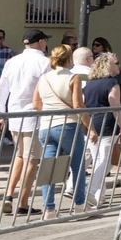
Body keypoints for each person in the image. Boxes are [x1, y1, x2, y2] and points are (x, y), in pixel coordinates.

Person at [0, 29, 51, 214]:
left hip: (15, 115)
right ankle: (23, 202)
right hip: (34, 116)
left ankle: (9, 195)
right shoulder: (44, 62)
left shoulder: (13, 61)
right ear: (41, 42)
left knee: (20, 156)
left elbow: (2, 87)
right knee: (32, 159)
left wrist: (0, 111)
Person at [32, 43, 87, 217]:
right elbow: (78, 105)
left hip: (46, 126)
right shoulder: (73, 77)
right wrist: (90, 126)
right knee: (77, 165)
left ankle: (49, 208)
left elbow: (36, 104)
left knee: (49, 168)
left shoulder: (44, 78)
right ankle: (79, 204)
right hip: (68, 124)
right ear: (69, 59)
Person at [80, 51, 121, 208]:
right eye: (116, 63)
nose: (119, 66)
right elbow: (115, 107)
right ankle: (89, 192)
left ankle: (98, 196)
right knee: (104, 161)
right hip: (106, 125)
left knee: (98, 160)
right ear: (107, 66)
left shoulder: (90, 83)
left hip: (91, 124)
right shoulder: (112, 83)